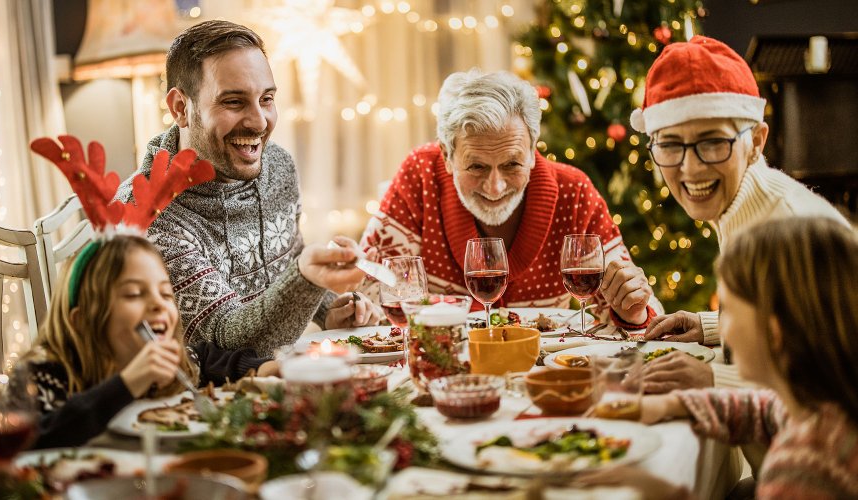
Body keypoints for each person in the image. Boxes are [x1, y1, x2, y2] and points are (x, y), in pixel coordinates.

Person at [115, 20, 379, 357]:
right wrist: (306, 280)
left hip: (277, 375)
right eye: (234, 102)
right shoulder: (148, 215)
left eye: (266, 99)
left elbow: (287, 258)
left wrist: (329, 307)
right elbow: (226, 345)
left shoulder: (278, 166)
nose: (259, 122)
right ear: (181, 108)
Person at [578, 217, 858, 499]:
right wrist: (668, 404)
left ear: (773, 334)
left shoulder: (802, 471)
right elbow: (761, 410)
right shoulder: (822, 409)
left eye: (727, 311)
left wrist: (666, 492)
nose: (718, 326)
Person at [628, 35, 849, 392]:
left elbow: (833, 385)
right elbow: (792, 330)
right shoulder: (741, 205)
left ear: (757, 141)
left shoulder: (788, 229)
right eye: (669, 144)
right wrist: (714, 326)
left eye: (713, 142)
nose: (691, 168)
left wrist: (713, 377)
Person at [360, 69, 662, 327]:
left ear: (532, 152)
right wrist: (354, 308)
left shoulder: (574, 192)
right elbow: (371, 294)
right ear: (447, 156)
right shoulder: (421, 175)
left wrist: (633, 312)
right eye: (476, 166)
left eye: (511, 164)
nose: (494, 186)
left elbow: (633, 309)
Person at [20, 235, 278, 449]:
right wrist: (128, 384)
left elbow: (208, 359)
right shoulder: (42, 376)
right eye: (134, 293)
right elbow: (31, 440)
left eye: (166, 293)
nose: (158, 304)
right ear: (83, 320)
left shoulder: (173, 365)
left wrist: (263, 369)